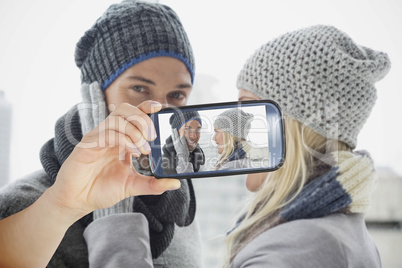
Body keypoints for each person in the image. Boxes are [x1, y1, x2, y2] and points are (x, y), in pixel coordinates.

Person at [0, 1, 203, 267]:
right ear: (94, 96)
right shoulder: (21, 207)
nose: (158, 111)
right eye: (140, 89)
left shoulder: (178, 204)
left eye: (177, 95)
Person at [225, 24, 391, 267]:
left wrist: (145, 212)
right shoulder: (346, 231)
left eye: (249, 108)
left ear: (296, 125)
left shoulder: (290, 250)